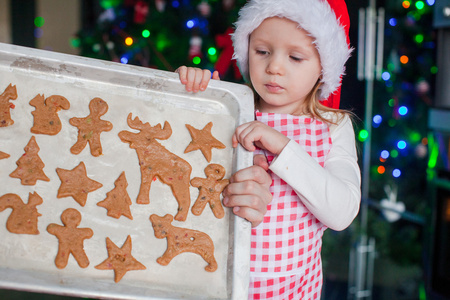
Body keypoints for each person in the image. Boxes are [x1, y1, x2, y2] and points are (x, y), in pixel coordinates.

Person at [176, 0, 361, 298]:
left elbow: (341, 212)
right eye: (262, 51)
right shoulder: (230, 105)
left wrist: (281, 146)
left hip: (292, 289)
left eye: (296, 57)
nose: (274, 67)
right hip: (214, 282)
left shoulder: (332, 125)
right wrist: (193, 94)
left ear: (323, 67)